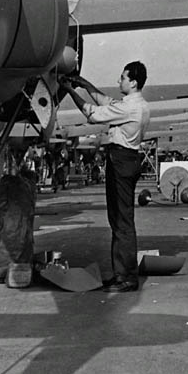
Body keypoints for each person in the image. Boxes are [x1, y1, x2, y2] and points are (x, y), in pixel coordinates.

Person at [62, 62, 151, 292]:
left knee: (122, 221)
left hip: (121, 161)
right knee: (118, 219)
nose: (118, 81)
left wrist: (71, 91)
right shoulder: (137, 105)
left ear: (133, 82)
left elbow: (93, 114)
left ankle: (128, 278)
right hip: (126, 159)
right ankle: (121, 274)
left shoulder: (130, 108)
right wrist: (84, 84)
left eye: (122, 78)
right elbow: (106, 101)